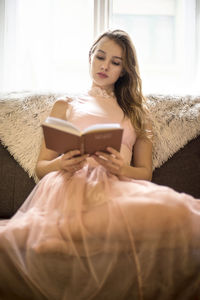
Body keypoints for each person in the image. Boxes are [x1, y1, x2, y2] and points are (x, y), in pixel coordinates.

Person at [0, 29, 199, 300]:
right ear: (90, 58)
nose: (105, 66)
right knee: (25, 242)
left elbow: (146, 173)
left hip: (117, 186)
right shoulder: (65, 104)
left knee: (180, 214)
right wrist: (62, 162)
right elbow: (41, 167)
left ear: (124, 71)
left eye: (115, 62)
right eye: (100, 57)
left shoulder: (138, 113)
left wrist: (121, 168)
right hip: (69, 186)